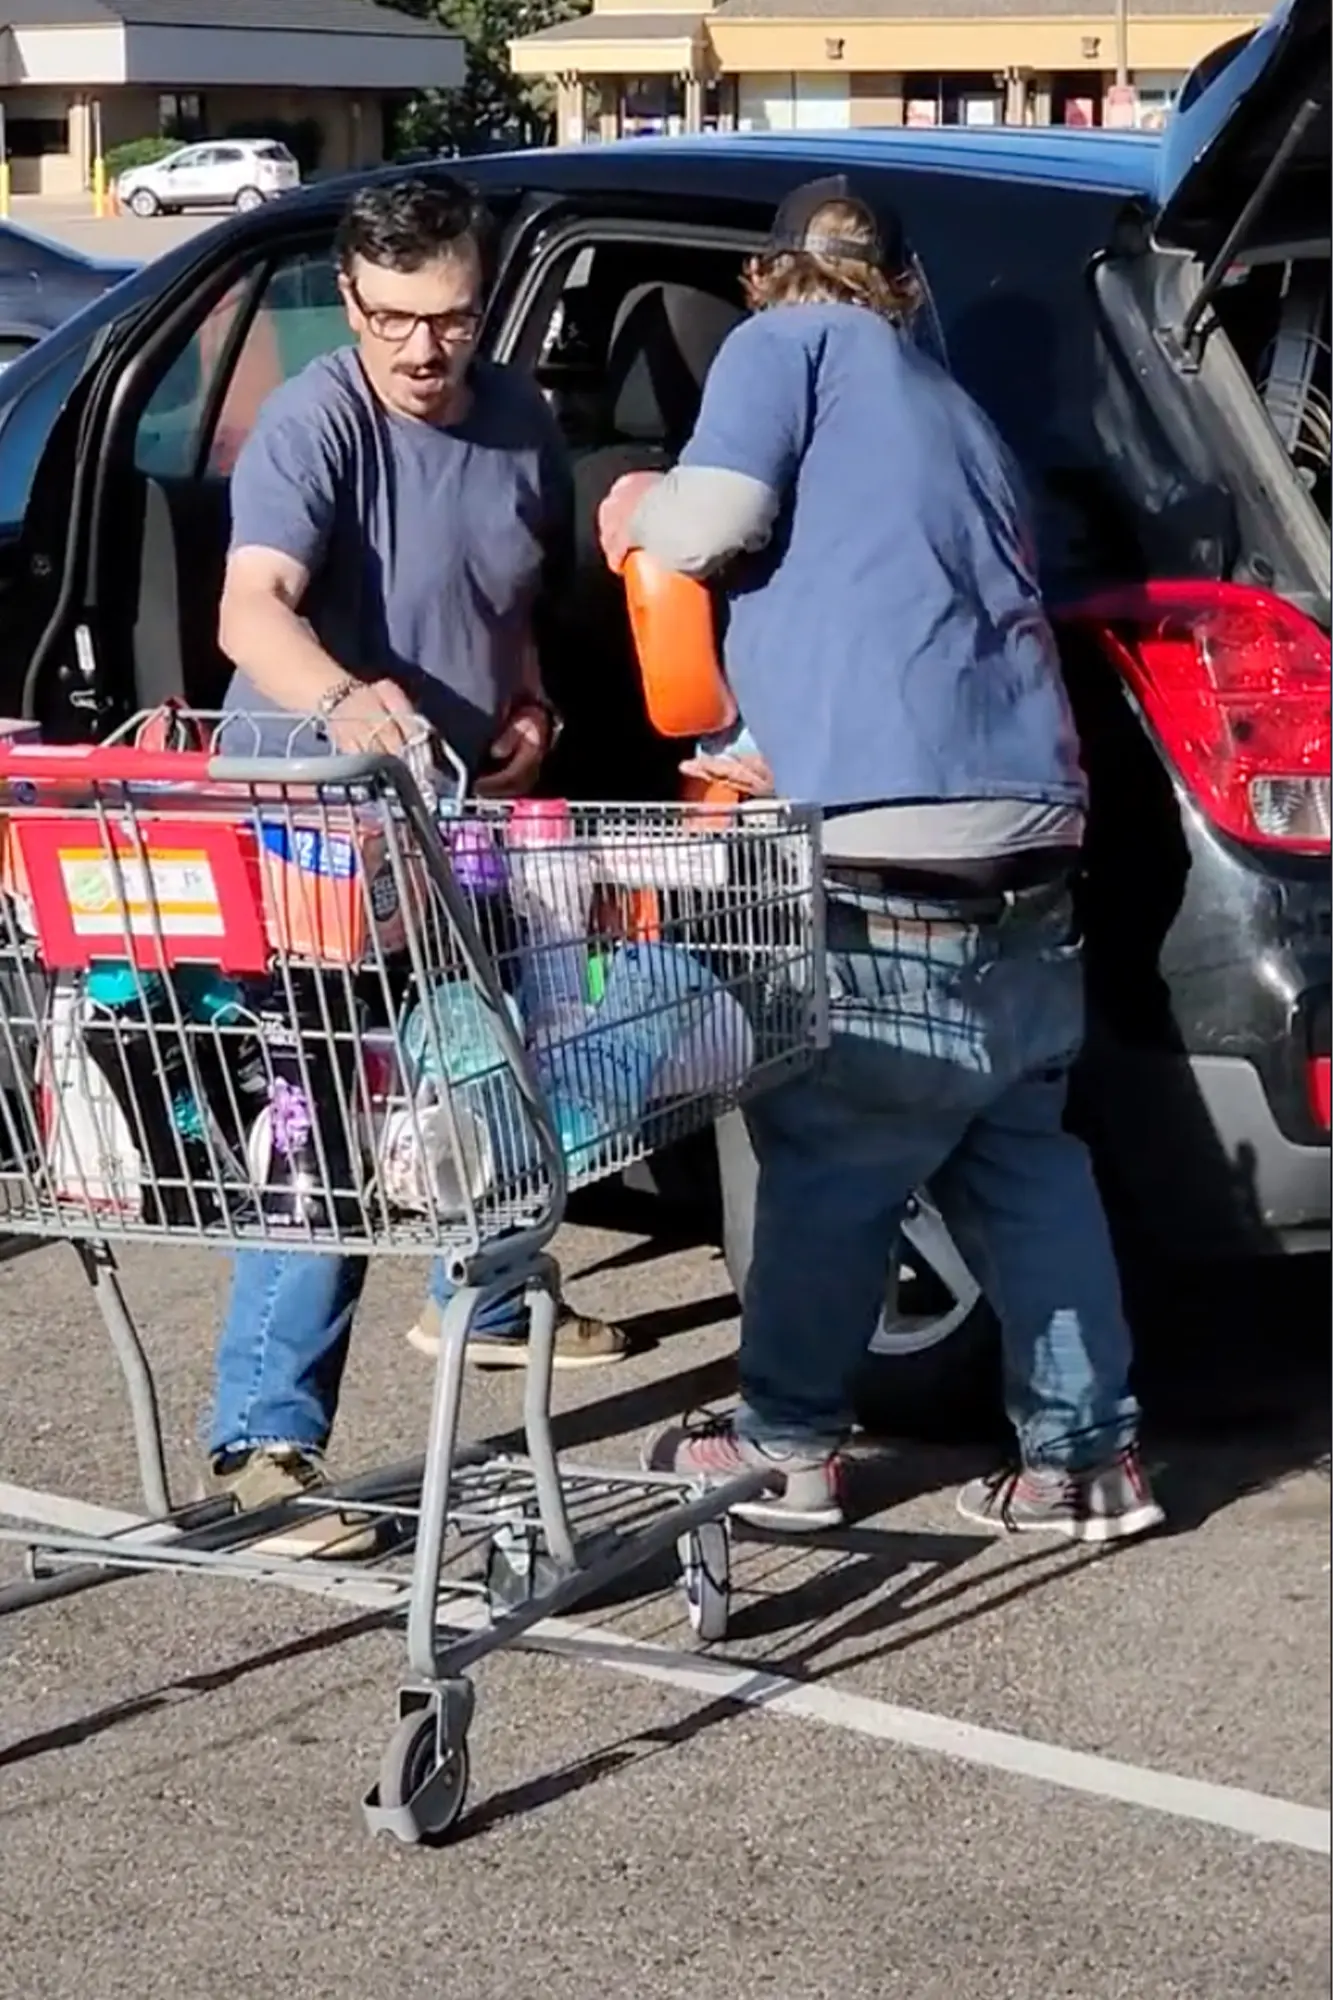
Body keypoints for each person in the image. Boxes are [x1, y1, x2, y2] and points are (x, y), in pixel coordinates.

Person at [599, 175, 1164, 1545]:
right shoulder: (957, 411)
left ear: (768, 275)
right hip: (1032, 834)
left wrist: (635, 507)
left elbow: (709, 526)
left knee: (830, 1161)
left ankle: (785, 1445)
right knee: (1026, 1163)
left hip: (885, 844)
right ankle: (1086, 1465)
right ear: (904, 284)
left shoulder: (783, 346)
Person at [211, 177, 626, 1554]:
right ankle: (267, 1446)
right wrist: (349, 705)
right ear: (350, 301)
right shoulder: (315, 421)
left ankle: (487, 1301)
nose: (420, 349)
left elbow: (509, 600)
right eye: (390, 318)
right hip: (319, 834)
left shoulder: (519, 422)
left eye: (447, 318)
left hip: (456, 823)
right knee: (319, 1125)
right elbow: (251, 610)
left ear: (484, 301)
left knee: (487, 1072)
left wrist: (530, 707)